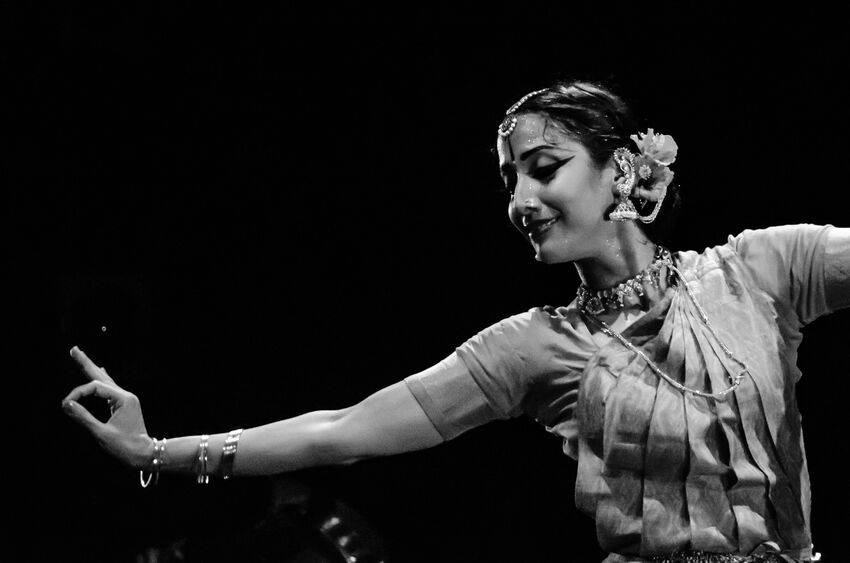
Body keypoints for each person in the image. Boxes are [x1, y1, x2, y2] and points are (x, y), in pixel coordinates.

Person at [63, 80, 849, 563]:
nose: (521, 202)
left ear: (621, 169)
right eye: (511, 181)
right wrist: (155, 449)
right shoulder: (536, 348)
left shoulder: (763, 270)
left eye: (545, 170)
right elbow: (342, 430)